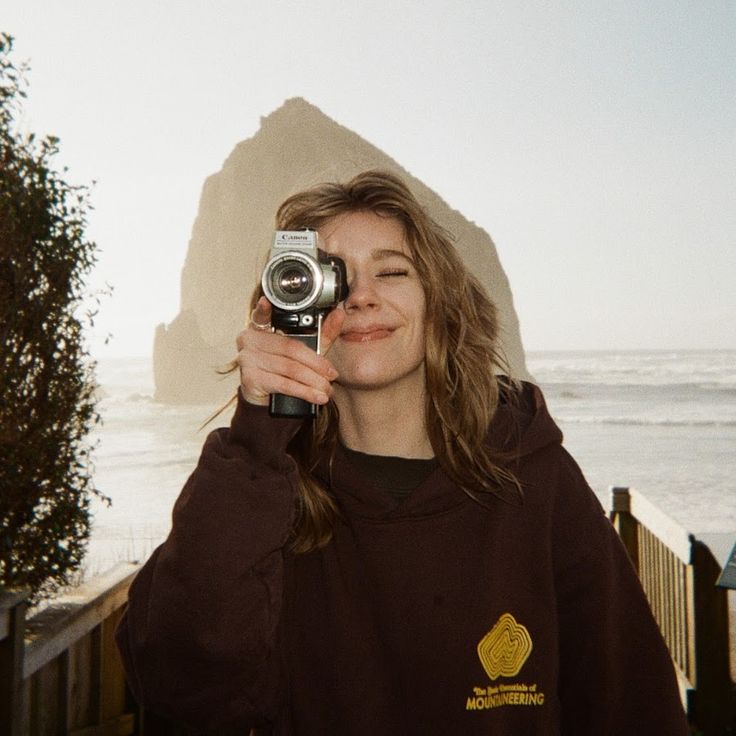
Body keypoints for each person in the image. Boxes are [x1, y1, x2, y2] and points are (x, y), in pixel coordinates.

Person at [116, 170, 689, 735]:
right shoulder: (259, 495)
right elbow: (180, 682)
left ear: (438, 305)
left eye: (392, 271)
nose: (363, 297)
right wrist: (257, 433)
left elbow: (632, 700)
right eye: (334, 277)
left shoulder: (530, 473)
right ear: (292, 306)